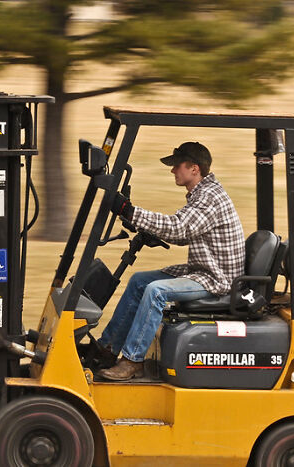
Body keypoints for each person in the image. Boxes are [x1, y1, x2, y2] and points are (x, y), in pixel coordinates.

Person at [95, 141, 245, 381]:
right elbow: (187, 232)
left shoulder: (209, 198)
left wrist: (131, 211)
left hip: (215, 279)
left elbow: (180, 229)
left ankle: (133, 360)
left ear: (194, 168)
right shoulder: (202, 194)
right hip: (204, 270)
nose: (172, 170)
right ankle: (107, 349)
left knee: (156, 291)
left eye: (177, 166)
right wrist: (139, 222)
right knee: (139, 281)